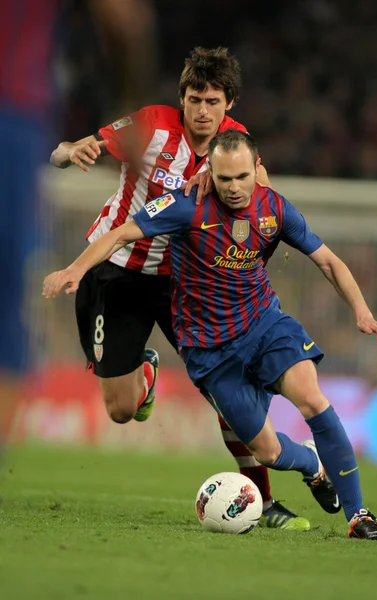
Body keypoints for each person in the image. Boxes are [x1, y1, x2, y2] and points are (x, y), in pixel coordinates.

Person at [43, 129, 377, 540]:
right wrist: (75, 269)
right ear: (209, 172)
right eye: (225, 178)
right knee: (266, 451)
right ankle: (312, 466)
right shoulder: (183, 207)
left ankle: (358, 516)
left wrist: (362, 312)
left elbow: (328, 261)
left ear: (257, 169)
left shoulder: (274, 208)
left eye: (243, 177)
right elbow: (120, 233)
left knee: (313, 400)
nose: (234, 188)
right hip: (209, 352)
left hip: (265, 326)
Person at [49, 46, 309, 531]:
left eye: (213, 101)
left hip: (186, 284)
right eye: (194, 99)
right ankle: (143, 374)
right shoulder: (151, 125)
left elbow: (261, 193)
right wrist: (72, 152)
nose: (203, 111)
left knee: (227, 397)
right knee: (121, 410)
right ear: (181, 99)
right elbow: (64, 151)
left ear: (228, 103)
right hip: (118, 268)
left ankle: (264, 501)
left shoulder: (235, 146)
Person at [0, 0, 155, 462]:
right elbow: (126, 22)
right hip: (14, 114)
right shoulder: (147, 129)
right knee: (120, 406)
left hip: (14, 110)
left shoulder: (230, 155)